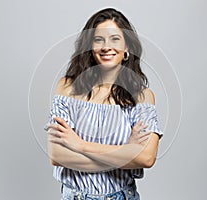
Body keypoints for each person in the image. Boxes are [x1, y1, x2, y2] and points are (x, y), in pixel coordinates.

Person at [45, 8, 163, 200]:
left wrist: (80, 145)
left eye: (115, 39)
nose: (106, 46)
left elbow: (146, 158)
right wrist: (125, 154)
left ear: (127, 48)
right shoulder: (68, 87)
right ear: (90, 47)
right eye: (99, 39)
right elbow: (57, 155)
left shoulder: (142, 97)